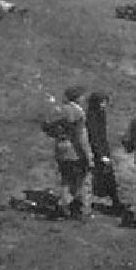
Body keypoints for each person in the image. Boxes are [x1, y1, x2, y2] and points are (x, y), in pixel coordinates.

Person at [86, 92, 136, 227]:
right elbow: (94, 136)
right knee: (103, 176)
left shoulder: (99, 114)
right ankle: (110, 202)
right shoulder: (92, 115)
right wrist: (101, 154)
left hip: (103, 150)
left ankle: (114, 201)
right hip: (98, 152)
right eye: (102, 102)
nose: (104, 105)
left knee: (108, 177)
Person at [45, 86, 92, 220]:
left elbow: (46, 126)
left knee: (66, 180)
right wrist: (88, 155)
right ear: (78, 97)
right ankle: (78, 209)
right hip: (75, 151)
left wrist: (58, 135)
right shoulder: (78, 112)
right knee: (80, 181)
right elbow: (80, 137)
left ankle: (64, 208)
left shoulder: (59, 110)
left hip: (61, 148)